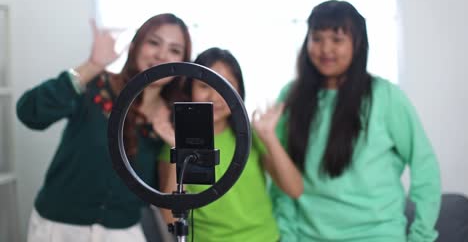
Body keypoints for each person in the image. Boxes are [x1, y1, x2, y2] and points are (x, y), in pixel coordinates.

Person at [260, 0, 441, 242]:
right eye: (317, 38)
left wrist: (421, 235)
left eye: (337, 40)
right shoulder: (290, 97)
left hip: (377, 235)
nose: (325, 49)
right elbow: (282, 177)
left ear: (357, 45)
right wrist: (288, 234)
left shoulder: (386, 96)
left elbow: (425, 167)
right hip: (306, 236)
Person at [17, 13, 192, 242]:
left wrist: (176, 146)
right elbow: (30, 113)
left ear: (183, 64)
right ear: (136, 45)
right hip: (58, 227)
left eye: (174, 50)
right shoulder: (97, 86)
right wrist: (93, 65)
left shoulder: (173, 119)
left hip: (122, 232)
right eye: (154, 42)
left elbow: (168, 200)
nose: (161, 55)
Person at [157, 47, 303, 242]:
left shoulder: (250, 136)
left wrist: (269, 136)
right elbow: (170, 217)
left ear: (238, 92)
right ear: (190, 89)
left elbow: (294, 189)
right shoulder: (173, 143)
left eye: (225, 86)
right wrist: (178, 148)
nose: (214, 97)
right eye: (204, 86)